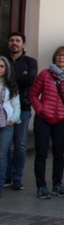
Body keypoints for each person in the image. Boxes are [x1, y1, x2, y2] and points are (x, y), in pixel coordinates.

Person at [29, 45, 64, 199]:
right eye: (58, 55)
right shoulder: (45, 74)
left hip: (62, 121)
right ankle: (41, 186)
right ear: (54, 58)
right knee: (41, 153)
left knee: (59, 154)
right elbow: (33, 94)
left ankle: (57, 184)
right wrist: (41, 109)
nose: (61, 58)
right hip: (44, 119)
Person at [4, 32, 37, 190]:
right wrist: (20, 77)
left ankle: (17, 177)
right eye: (12, 41)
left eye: (18, 41)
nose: (14, 43)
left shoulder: (30, 62)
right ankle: (6, 176)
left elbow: (30, 80)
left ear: (23, 45)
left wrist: (9, 76)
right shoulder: (3, 60)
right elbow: (22, 79)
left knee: (20, 145)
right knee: (4, 146)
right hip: (4, 111)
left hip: (23, 108)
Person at [0, 56, 21, 198]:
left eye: (1, 66)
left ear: (6, 68)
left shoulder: (10, 85)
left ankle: (0, 184)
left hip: (6, 124)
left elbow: (16, 104)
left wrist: (13, 119)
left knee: (1, 155)